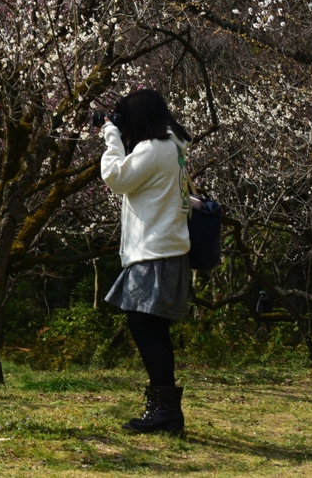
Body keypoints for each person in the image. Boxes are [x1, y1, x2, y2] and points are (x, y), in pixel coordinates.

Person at [100, 88, 193, 435]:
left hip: (154, 254)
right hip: (168, 251)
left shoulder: (153, 150)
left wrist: (111, 135)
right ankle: (165, 410)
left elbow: (116, 178)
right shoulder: (176, 148)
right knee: (153, 331)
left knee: (145, 329)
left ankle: (165, 410)